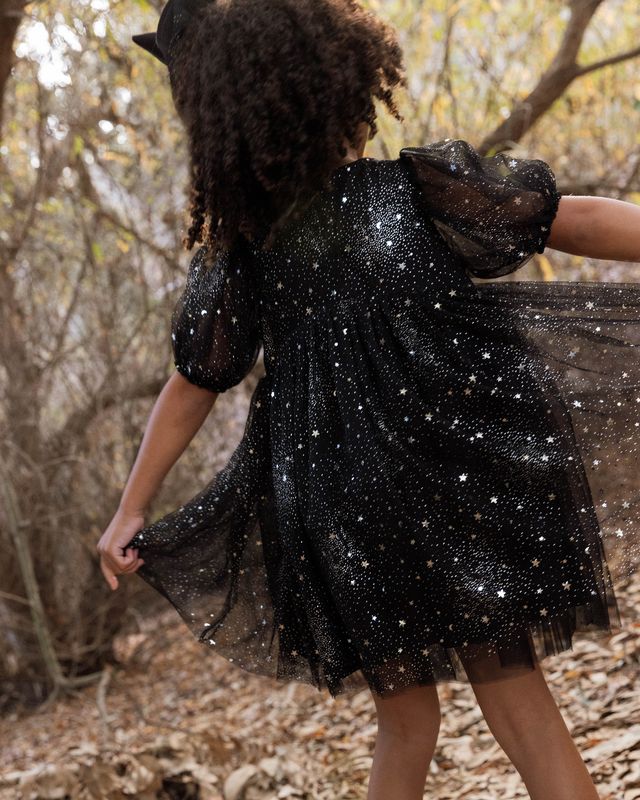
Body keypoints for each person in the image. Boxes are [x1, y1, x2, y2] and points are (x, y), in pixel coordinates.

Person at [97, 1, 640, 798]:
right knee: (519, 697)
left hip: (340, 502)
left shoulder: (247, 247)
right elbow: (572, 220)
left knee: (406, 719)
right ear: (337, 84)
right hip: (453, 465)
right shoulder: (414, 189)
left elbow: (197, 380)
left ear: (224, 123)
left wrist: (131, 508)